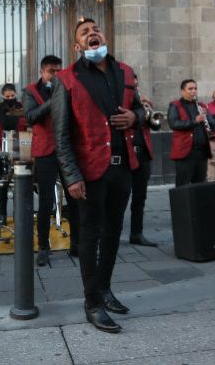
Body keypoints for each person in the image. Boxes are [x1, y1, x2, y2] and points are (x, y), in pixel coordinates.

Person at [51, 18, 144, 334]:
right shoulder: (67, 79)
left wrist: (134, 116)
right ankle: (92, 303)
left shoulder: (125, 72)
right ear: (77, 46)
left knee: (114, 231)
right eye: (84, 33)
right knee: (89, 236)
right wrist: (71, 176)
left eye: (96, 30)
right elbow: (60, 134)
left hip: (122, 167)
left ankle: (105, 289)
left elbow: (140, 112)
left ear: (104, 37)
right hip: (89, 171)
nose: (92, 34)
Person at [23, 55, 72, 266]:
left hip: (68, 149)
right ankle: (43, 246)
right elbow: (31, 116)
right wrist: (54, 101)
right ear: (43, 72)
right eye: (52, 71)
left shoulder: (66, 88)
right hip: (45, 151)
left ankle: (79, 243)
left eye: (59, 70)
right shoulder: (30, 91)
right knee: (45, 201)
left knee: (75, 197)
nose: (56, 74)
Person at [0, 83, 27, 225]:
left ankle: (20, 214)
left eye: (12, 96)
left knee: (21, 185)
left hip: (21, 152)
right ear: (2, 96)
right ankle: (2, 215)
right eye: (7, 96)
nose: (10, 98)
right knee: (2, 185)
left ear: (16, 94)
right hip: (1, 152)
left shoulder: (23, 108)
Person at [128, 77, 158, 247]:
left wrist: (148, 110)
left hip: (143, 154)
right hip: (126, 154)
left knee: (140, 196)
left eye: (136, 83)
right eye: (132, 84)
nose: (135, 86)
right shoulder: (121, 101)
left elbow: (155, 126)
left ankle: (136, 233)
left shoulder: (144, 102)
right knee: (120, 197)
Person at [167, 79, 211, 186]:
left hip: (201, 152)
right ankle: (182, 204)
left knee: (200, 184)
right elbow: (174, 124)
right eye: (190, 89)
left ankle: (198, 203)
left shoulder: (201, 106)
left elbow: (212, 123)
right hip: (185, 152)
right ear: (182, 91)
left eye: (195, 88)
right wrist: (195, 120)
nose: (193, 91)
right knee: (183, 185)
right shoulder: (175, 105)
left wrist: (207, 116)